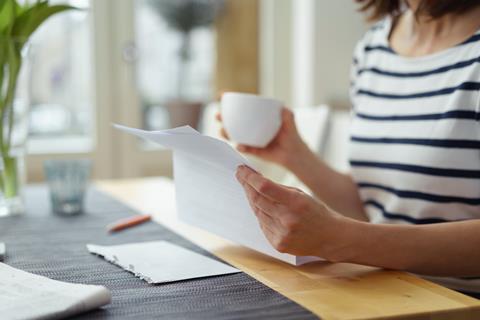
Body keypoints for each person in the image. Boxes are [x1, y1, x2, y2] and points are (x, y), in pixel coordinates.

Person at [217, 0, 480, 298]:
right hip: (389, 290)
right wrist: (295, 154)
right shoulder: (373, 48)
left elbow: (365, 234)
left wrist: (340, 239)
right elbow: (376, 210)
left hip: (457, 303)